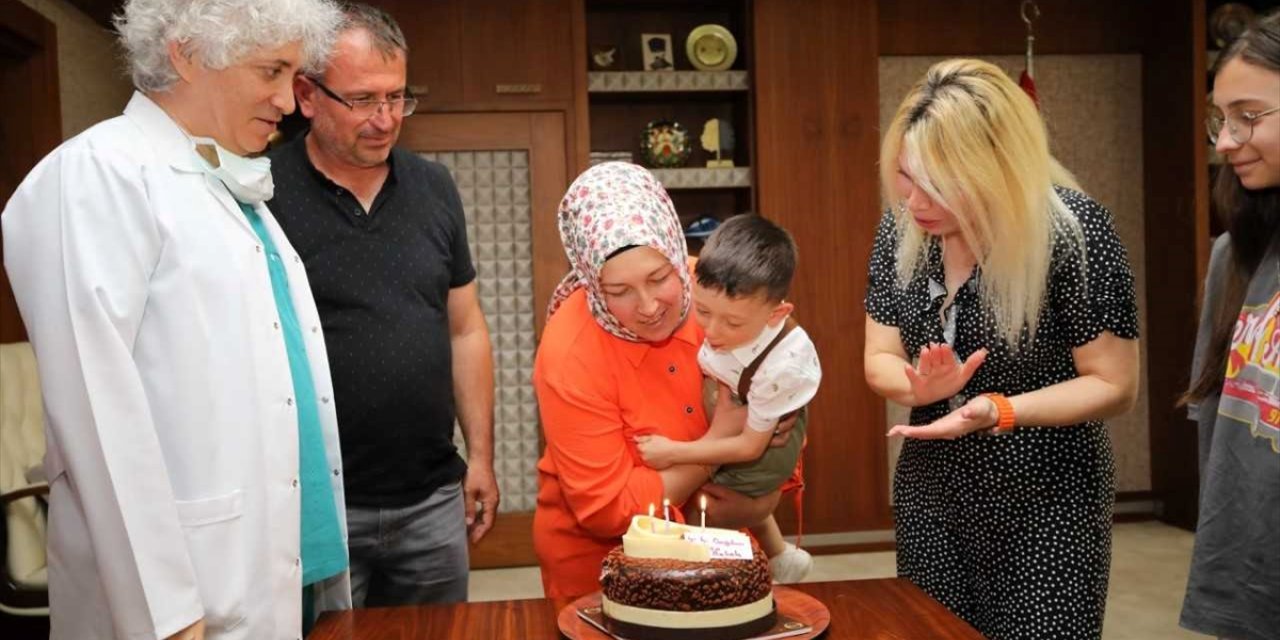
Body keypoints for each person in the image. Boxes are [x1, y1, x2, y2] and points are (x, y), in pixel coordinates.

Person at [1, 0, 351, 638]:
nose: (288, 99)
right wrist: (167, 613)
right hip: (190, 593)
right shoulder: (98, 174)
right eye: (271, 71)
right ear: (187, 53)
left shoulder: (224, 183)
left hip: (281, 562)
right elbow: (95, 415)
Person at [863, 59, 1140, 640]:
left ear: (996, 170)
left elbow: (1114, 384)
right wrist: (916, 387)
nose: (915, 201)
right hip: (932, 488)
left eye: (938, 182)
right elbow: (879, 355)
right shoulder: (901, 232)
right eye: (906, 177)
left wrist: (1000, 409)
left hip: (1047, 492)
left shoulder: (1074, 232)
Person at [265, 3, 498, 607]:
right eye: (364, 99)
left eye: (397, 97)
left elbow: (466, 329)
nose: (385, 119)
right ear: (306, 96)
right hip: (315, 505)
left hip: (432, 499)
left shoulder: (434, 188)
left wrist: (482, 458)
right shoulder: (261, 193)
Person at [533, 162, 789, 599]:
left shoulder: (718, 292)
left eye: (659, 278)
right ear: (593, 284)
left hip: (721, 538)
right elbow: (608, 509)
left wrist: (767, 480)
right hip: (605, 565)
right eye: (620, 291)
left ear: (675, 251)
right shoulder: (569, 353)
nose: (649, 306)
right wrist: (719, 446)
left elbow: (784, 382)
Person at [634, 214, 821, 583]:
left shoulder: (781, 368)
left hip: (763, 441)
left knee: (706, 508)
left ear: (777, 314)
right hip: (735, 397)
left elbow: (750, 448)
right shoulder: (712, 293)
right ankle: (781, 555)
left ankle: (712, 579)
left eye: (733, 323)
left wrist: (674, 452)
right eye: (703, 312)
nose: (713, 331)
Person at [1181, 11, 1280, 640]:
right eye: (1222, 119)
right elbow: (1216, 434)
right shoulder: (1233, 256)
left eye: (1249, 116)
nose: (1224, 140)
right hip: (1249, 585)